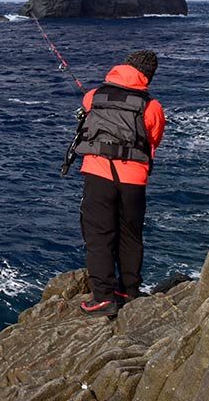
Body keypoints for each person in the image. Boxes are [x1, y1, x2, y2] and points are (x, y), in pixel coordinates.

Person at [74, 50, 166, 316]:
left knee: (99, 235)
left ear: (125, 66)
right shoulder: (152, 107)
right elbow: (153, 140)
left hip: (98, 174)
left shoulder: (93, 96)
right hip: (134, 180)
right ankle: (129, 290)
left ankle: (103, 298)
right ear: (148, 76)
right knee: (131, 234)